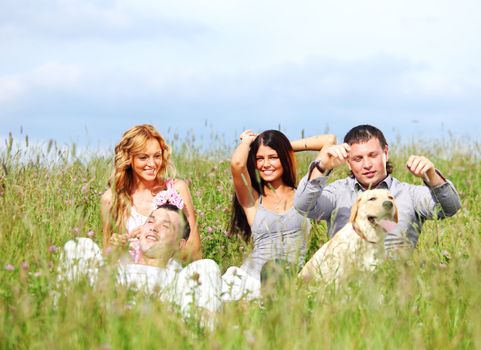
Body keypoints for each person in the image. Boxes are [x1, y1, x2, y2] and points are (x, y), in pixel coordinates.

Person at [294, 124, 461, 249]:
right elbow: (303, 207)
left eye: (373, 155)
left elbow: (450, 208)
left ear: (385, 153)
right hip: (346, 285)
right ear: (348, 163)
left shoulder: (408, 194)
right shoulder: (338, 193)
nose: (367, 165)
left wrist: (431, 175)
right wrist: (321, 168)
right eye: (358, 159)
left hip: (395, 283)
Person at [222, 129, 336, 300]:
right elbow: (237, 164)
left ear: (284, 158)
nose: (265, 164)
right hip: (252, 280)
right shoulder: (253, 199)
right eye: (260, 158)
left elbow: (330, 140)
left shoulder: (304, 196)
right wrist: (247, 142)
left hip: (289, 281)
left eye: (273, 157)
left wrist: (284, 147)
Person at [58, 204, 222, 316]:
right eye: (150, 221)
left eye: (165, 226)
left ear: (179, 244)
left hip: (163, 320)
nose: (153, 227)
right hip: (106, 313)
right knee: (80, 245)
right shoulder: (118, 269)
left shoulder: (180, 280)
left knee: (208, 266)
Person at [100, 124, 202, 261]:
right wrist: (120, 245)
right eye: (143, 157)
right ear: (129, 159)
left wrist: (158, 243)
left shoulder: (177, 189)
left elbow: (195, 253)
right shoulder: (111, 199)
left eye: (157, 156)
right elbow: (107, 257)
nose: (152, 164)